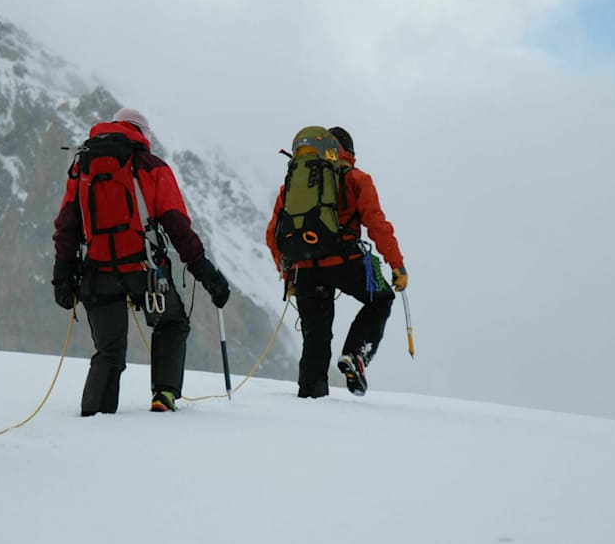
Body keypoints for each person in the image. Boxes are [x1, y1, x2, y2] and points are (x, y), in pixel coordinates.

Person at [52, 108, 230, 415]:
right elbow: (177, 227)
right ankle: (163, 394)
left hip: (97, 271)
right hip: (145, 270)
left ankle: (94, 416)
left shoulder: (82, 167)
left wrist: (62, 275)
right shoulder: (151, 166)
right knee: (171, 324)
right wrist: (206, 273)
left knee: (108, 351)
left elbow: (67, 226)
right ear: (143, 135)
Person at [265, 126, 407, 398]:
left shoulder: (293, 183)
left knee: (316, 337)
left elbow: (273, 233)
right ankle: (356, 353)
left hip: (305, 270)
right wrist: (396, 265)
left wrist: (288, 277)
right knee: (381, 298)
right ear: (349, 152)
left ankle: (311, 395)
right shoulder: (356, 178)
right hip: (346, 261)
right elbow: (377, 225)